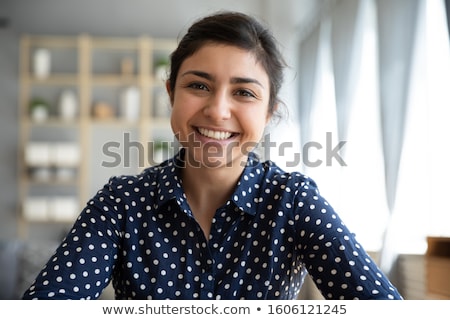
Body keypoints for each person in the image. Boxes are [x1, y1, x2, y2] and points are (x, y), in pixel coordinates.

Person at [22, 11, 403, 300]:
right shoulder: (121, 204)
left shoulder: (294, 201)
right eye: (199, 85)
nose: (218, 111)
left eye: (244, 93)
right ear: (171, 93)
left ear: (269, 112)